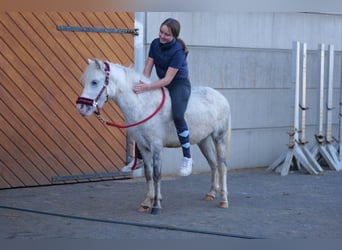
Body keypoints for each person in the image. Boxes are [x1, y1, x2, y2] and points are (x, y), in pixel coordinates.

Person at [125, 18, 193, 177]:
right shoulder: (156, 44)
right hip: (160, 82)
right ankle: (138, 158)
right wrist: (143, 83)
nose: (162, 36)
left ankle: (187, 157)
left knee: (177, 115)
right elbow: (148, 67)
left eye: (167, 34)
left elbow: (168, 79)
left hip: (178, 84)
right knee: (141, 112)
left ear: (174, 36)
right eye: (161, 32)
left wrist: (148, 87)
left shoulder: (178, 51)